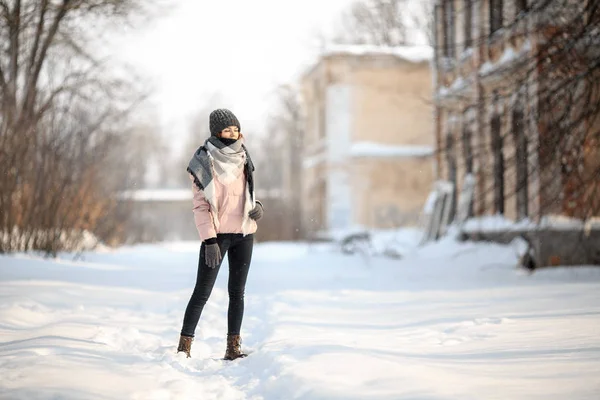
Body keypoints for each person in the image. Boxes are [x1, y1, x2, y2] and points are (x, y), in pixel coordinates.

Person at [177, 109, 264, 360]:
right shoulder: (204, 160)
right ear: (216, 132)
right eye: (227, 130)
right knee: (201, 293)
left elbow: (248, 193)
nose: (232, 134)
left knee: (238, 293)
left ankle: (233, 348)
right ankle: (184, 348)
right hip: (217, 237)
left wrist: (258, 207)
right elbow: (200, 205)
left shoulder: (244, 155)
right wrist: (209, 240)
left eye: (235, 129)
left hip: (244, 233)